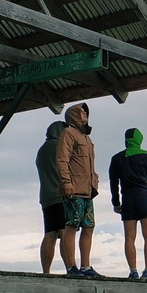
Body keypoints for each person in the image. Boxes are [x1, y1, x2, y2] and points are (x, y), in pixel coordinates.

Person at [55, 102, 102, 278]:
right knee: (72, 225)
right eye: (81, 111)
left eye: (85, 111)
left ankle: (86, 266)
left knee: (89, 226)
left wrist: (95, 182)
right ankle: (71, 267)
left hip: (88, 190)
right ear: (73, 115)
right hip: (73, 189)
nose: (84, 114)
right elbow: (62, 160)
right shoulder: (68, 133)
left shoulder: (87, 139)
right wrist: (66, 182)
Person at [108, 127, 147, 280]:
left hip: (128, 200)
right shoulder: (145, 155)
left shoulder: (116, 158)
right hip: (144, 197)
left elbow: (113, 182)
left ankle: (133, 271)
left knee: (129, 237)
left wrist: (116, 203)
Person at [35, 120, 68, 274]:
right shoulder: (59, 147)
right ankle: (70, 269)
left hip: (46, 197)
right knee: (65, 231)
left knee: (50, 234)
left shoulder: (42, 150)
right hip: (61, 196)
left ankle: (46, 271)